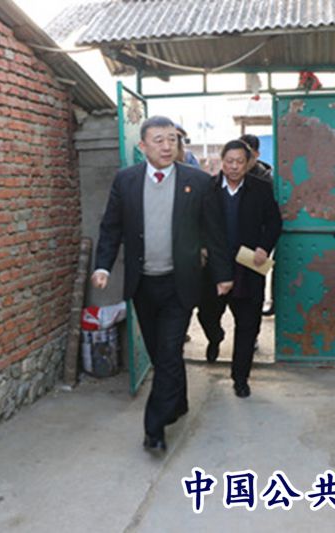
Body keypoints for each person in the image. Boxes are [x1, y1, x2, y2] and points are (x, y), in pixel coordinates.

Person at [92, 115, 233, 452]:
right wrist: (103, 266)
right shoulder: (126, 180)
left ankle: (154, 428)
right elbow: (111, 227)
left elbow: (214, 230)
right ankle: (178, 401)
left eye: (172, 139)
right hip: (143, 283)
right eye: (159, 140)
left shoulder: (197, 181)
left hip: (179, 283)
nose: (167, 146)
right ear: (143, 146)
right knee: (160, 353)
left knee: (169, 350)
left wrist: (223, 273)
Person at [197, 139, 282, 398]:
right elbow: (195, 222)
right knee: (207, 314)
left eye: (239, 162)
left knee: (248, 324)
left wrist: (264, 247)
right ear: (221, 162)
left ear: (249, 163)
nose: (234, 167)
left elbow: (274, 222)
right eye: (229, 161)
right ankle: (215, 337)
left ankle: (240, 378)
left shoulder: (261, 188)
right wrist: (201, 247)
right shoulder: (207, 189)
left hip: (248, 264)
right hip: (214, 266)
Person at [240, 134, 276, 316]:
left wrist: (264, 244)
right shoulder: (231, 177)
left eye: (248, 153)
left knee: (253, 287)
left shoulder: (266, 181)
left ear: (257, 154)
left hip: (258, 243)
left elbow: (272, 218)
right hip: (236, 240)